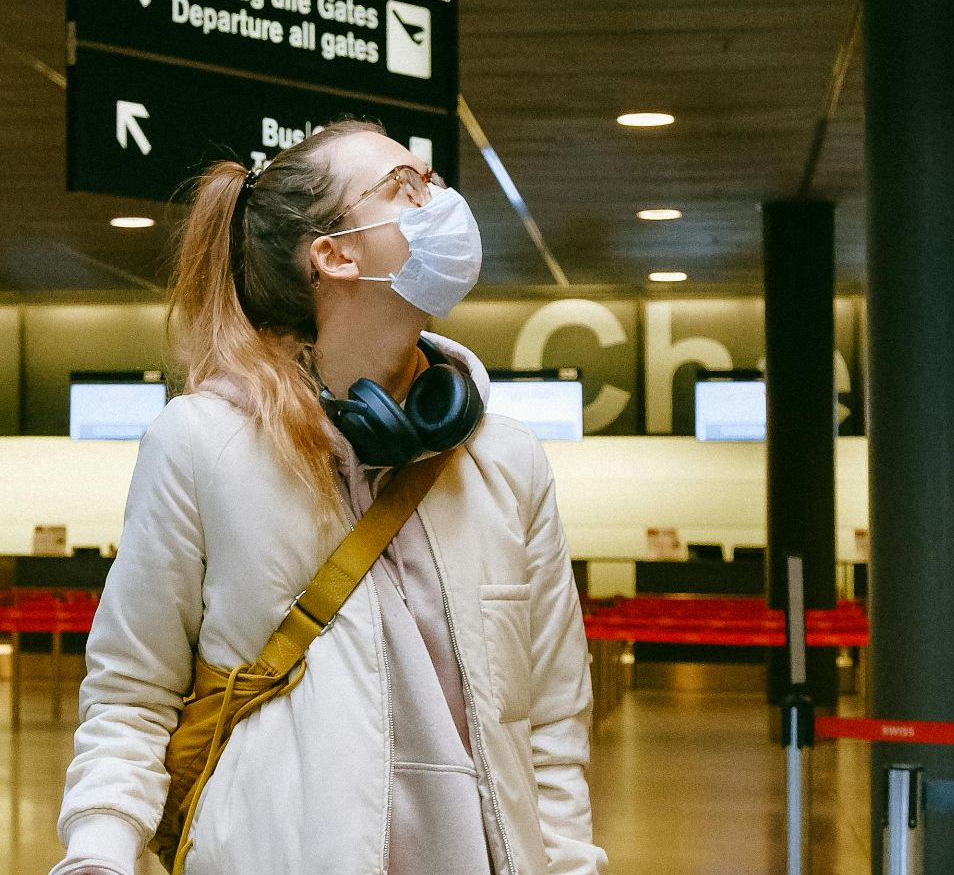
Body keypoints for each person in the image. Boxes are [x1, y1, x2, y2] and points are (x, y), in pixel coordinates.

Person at [52, 120, 607, 875]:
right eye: (405, 189)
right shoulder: (200, 445)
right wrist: (99, 852)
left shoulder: (507, 462)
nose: (441, 201)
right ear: (335, 254)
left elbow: (551, 725)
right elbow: (132, 691)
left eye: (435, 184)